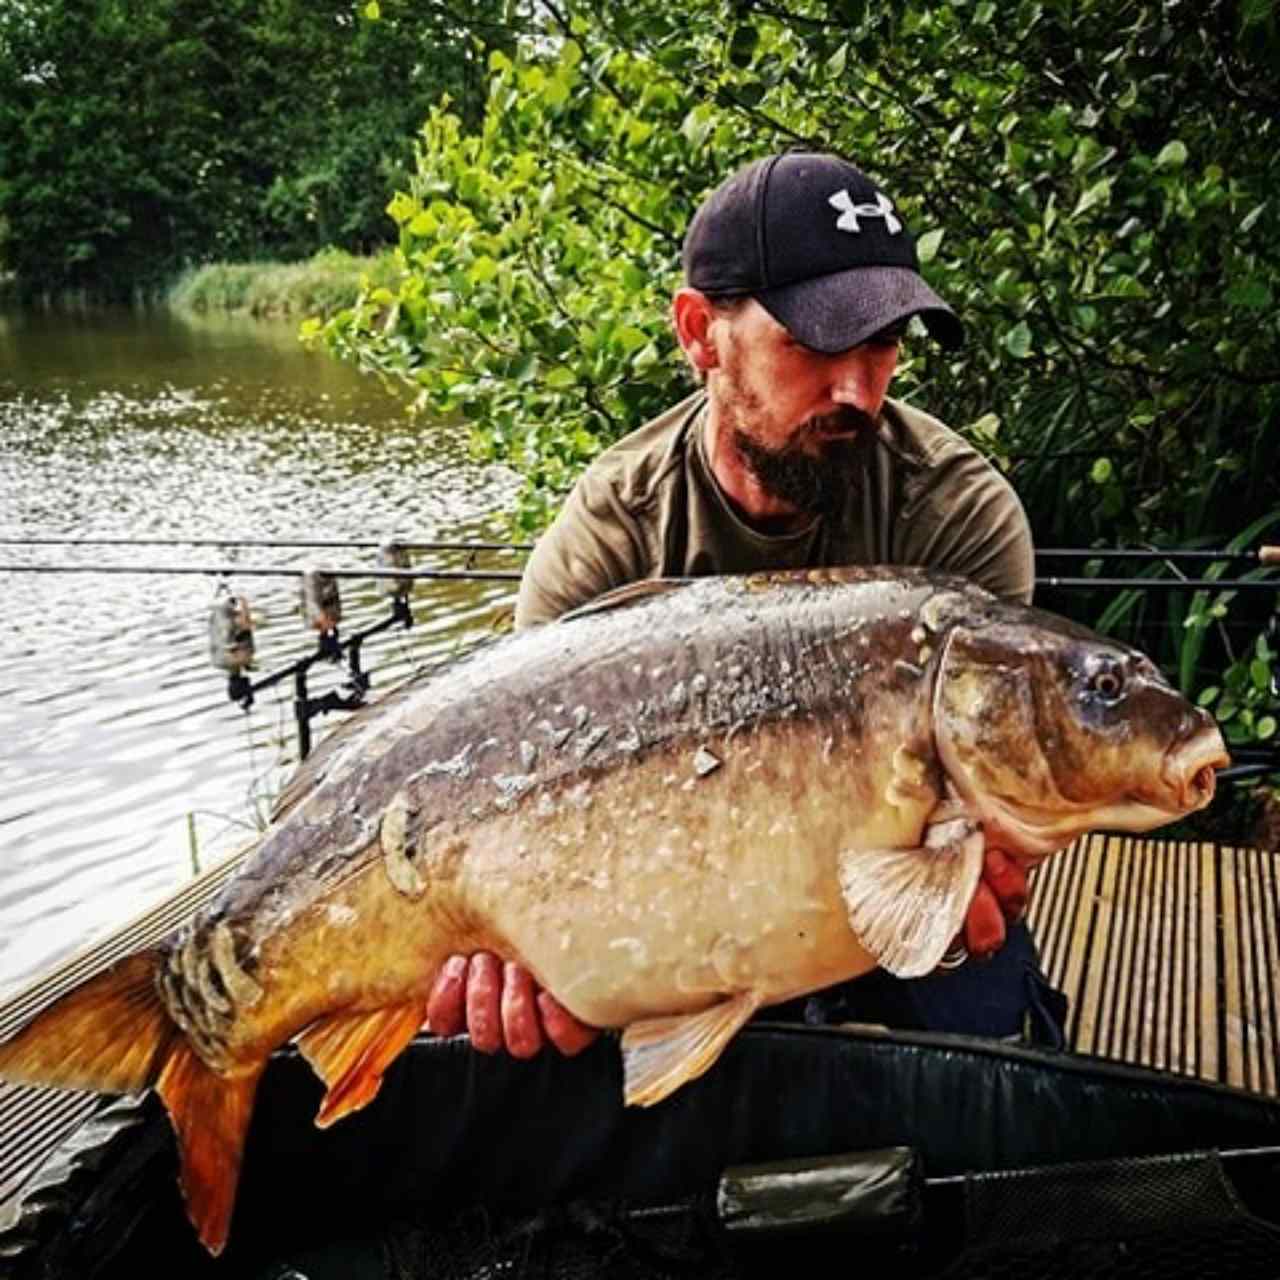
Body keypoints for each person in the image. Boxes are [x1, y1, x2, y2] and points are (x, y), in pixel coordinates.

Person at [425, 150, 1067, 1060]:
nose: (860, 388)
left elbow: (981, 819)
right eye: (813, 344)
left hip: (895, 902)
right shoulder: (609, 536)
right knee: (535, 1049)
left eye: (883, 342)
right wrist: (502, 949)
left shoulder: (957, 513)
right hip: (662, 911)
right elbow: (512, 805)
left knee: (991, 1048)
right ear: (700, 333)